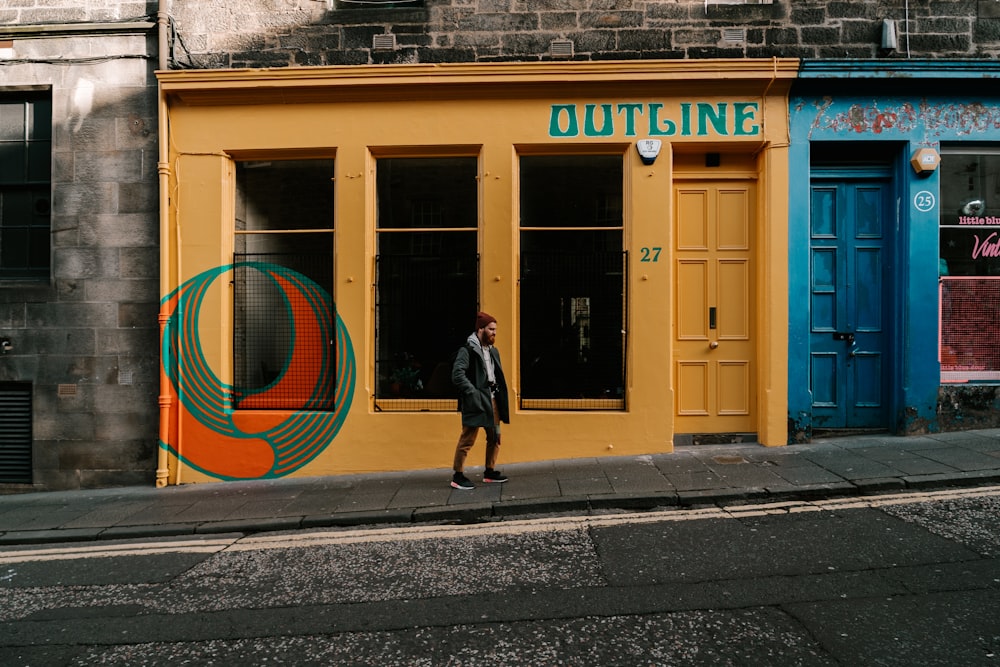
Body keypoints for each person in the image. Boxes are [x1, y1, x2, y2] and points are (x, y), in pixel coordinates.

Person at [449, 311, 510, 489]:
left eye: (495, 330)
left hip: (493, 401)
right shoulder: (467, 350)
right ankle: (458, 476)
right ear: (481, 329)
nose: (494, 333)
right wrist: (473, 393)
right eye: (491, 329)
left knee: (495, 437)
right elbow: (457, 374)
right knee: (467, 439)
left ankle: (489, 472)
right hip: (476, 402)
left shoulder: (493, 351)